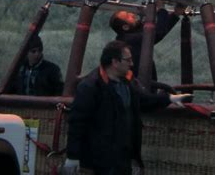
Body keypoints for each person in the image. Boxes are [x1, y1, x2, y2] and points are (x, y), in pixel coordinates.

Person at [62, 40, 190, 175]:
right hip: (97, 160)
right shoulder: (90, 87)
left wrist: (169, 98)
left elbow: (143, 100)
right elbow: (77, 123)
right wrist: (72, 157)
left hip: (122, 156)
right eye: (128, 60)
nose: (132, 64)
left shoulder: (128, 82)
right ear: (115, 62)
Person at [110, 3, 184, 82]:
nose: (132, 14)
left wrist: (175, 14)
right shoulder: (130, 40)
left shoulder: (129, 36)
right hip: (141, 86)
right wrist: (161, 9)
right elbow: (156, 33)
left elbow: (157, 31)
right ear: (125, 27)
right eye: (128, 16)